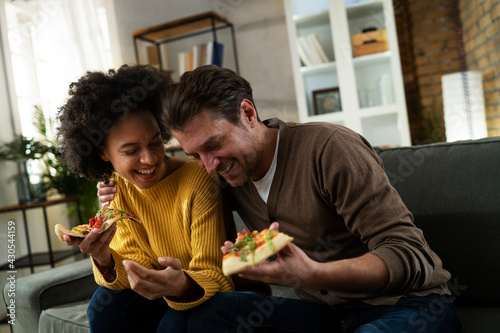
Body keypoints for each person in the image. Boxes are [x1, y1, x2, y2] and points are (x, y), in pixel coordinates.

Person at [99, 65, 463, 332]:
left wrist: (312, 274)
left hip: (407, 307)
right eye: (196, 155)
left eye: (213, 145)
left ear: (247, 113)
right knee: (192, 318)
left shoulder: (329, 149)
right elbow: (165, 169)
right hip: (327, 318)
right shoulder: (228, 170)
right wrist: (125, 174)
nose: (208, 167)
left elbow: (408, 254)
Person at [57, 64, 236, 332]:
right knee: (102, 304)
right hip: (156, 294)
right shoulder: (116, 187)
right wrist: (104, 257)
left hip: (199, 293)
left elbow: (214, 275)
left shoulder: (197, 179)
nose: (149, 159)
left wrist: (179, 284)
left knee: (174, 323)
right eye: (130, 151)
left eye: (155, 142)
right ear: (104, 153)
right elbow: (133, 268)